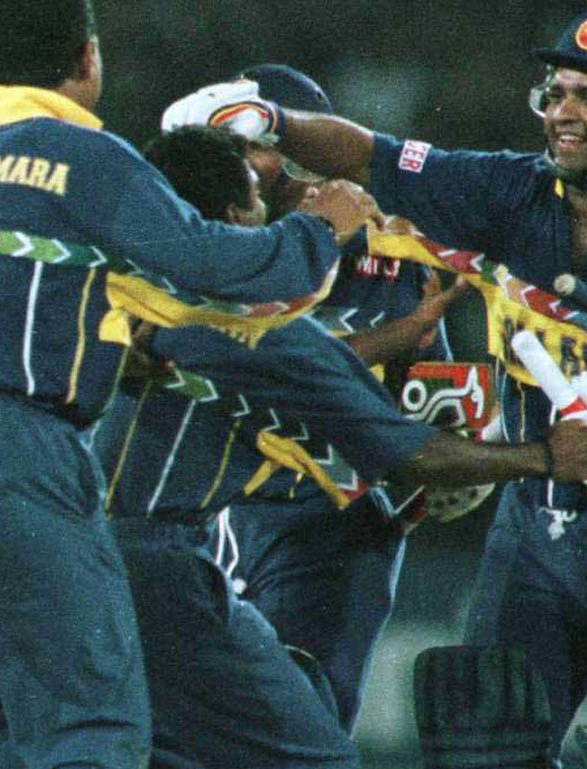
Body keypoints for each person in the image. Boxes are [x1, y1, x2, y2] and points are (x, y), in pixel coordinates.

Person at [163, 5, 587, 767]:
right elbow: (370, 154)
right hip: (534, 525)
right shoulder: (507, 190)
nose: (563, 113)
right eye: (555, 94)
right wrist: (270, 120)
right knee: (485, 748)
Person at [0, 0, 377, 767]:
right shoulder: (87, 157)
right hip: (12, 458)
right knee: (90, 723)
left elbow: (3, 297)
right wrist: (319, 232)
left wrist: (109, 345)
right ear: (88, 56)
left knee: (16, 715)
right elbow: (214, 268)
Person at [91, 123, 587, 769]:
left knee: (127, 745)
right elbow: (409, 454)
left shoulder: (115, 287)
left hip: (64, 544)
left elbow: (275, 365)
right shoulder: (254, 325)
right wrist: (546, 456)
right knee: (316, 756)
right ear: (237, 220)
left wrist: (404, 333)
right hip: (159, 565)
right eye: (260, 202)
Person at [194, 64, 473, 733]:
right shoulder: (210, 238)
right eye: (228, 147)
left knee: (305, 724)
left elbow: (430, 393)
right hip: (216, 513)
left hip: (334, 521)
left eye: (256, 144)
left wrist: (447, 452)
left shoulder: (393, 250)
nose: (241, 165)